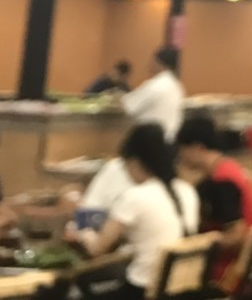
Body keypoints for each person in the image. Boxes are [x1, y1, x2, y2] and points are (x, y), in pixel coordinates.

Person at [73, 124, 198, 300]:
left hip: (142, 291)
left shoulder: (136, 196)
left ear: (134, 161)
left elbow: (97, 249)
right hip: (179, 289)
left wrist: (81, 229)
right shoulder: (187, 191)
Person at [175, 116, 252, 288]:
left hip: (230, 273)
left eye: (182, 150)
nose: (181, 157)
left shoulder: (222, 180)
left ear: (197, 148)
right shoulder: (230, 167)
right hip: (248, 266)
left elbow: (237, 237)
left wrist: (203, 244)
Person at [122, 49, 185, 142]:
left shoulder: (156, 84)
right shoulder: (177, 86)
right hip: (170, 139)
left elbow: (128, 106)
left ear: (158, 62)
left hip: (151, 140)